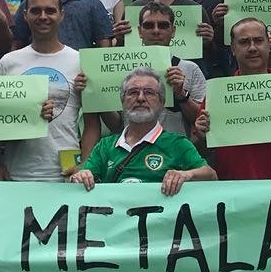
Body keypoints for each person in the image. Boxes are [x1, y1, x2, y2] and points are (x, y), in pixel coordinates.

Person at [0, 0, 102, 181]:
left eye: (50, 10)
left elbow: (92, 124)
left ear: (62, 15)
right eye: (36, 11)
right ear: (25, 15)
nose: (43, 16)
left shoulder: (80, 61)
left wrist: (85, 163)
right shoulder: (8, 62)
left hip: (66, 173)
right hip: (16, 172)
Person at [193, 17, 271, 179]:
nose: (252, 48)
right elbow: (200, 151)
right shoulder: (218, 94)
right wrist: (203, 137)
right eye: (244, 42)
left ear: (268, 45)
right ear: (232, 48)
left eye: (258, 41)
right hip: (231, 189)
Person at [71, 67, 217, 191]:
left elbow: (211, 176)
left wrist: (187, 175)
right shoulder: (105, 146)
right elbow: (81, 178)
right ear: (122, 100)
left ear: (162, 102)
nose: (140, 98)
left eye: (149, 92)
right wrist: (81, 176)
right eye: (133, 92)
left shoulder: (177, 144)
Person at [131, 1, 209, 135]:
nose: (156, 31)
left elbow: (203, 120)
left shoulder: (190, 69)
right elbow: (116, 124)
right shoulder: (126, 70)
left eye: (163, 25)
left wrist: (181, 95)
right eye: (149, 25)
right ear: (139, 31)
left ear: (173, 31)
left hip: (176, 150)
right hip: (133, 150)